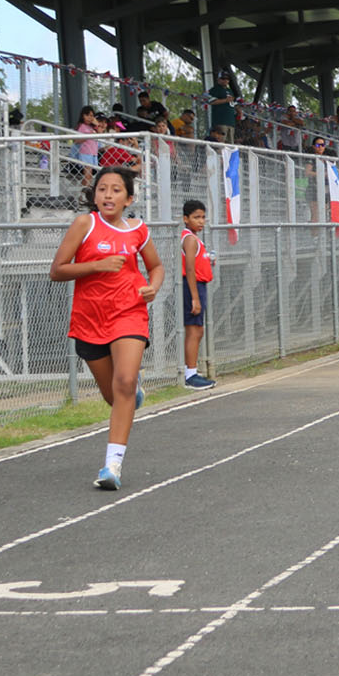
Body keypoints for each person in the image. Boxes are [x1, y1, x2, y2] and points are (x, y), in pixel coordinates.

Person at [48, 166, 164, 490]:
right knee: (114, 394)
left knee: (124, 381)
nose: (108, 195)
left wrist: (152, 287)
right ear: (94, 194)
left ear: (128, 198)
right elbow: (57, 270)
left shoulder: (139, 230)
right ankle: (131, 393)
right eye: (102, 189)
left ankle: (112, 466)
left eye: (115, 190)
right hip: (90, 318)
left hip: (129, 312)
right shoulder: (85, 224)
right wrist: (96, 265)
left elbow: (156, 266)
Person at [180, 200, 217, 390]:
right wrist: (194, 297)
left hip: (198, 285)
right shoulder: (190, 239)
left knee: (198, 329)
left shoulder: (195, 238)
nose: (201, 221)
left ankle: (192, 370)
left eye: (203, 217)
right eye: (196, 217)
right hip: (192, 287)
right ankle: (190, 374)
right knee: (194, 330)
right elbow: (189, 269)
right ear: (186, 219)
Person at [72, 105, 100, 186]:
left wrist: (97, 125)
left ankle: (83, 193)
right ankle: (85, 193)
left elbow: (101, 134)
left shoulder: (92, 127)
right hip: (85, 153)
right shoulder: (82, 126)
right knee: (87, 175)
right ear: (82, 116)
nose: (89, 118)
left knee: (90, 176)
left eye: (91, 116)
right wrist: (88, 136)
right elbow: (76, 140)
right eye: (87, 115)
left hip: (93, 154)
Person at [208, 71, 237, 143]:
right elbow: (211, 101)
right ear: (218, 79)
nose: (226, 80)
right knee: (221, 143)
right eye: (223, 78)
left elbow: (232, 103)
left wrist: (238, 110)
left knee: (230, 145)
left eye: (227, 79)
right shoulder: (215, 89)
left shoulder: (230, 90)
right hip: (220, 121)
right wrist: (225, 100)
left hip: (230, 122)